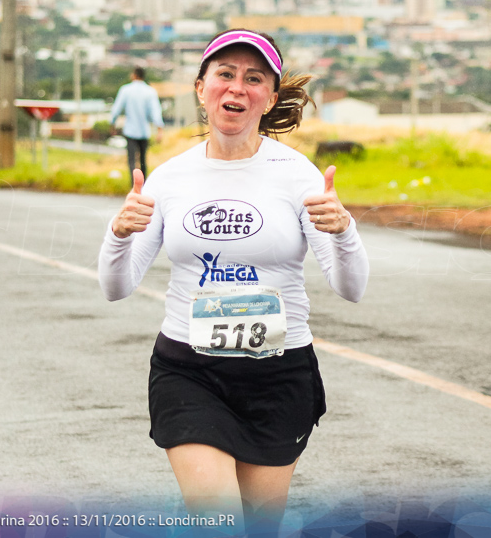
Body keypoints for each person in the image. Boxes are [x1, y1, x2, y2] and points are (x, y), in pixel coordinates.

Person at [99, 29, 369, 532]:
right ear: (201, 88)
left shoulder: (298, 175)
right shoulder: (168, 178)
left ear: (269, 96)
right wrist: (118, 234)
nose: (236, 88)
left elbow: (351, 287)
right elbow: (116, 286)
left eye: (253, 78)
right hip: (189, 371)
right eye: (224, 75)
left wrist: (344, 229)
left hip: (279, 375)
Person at [110, 66, 164, 187]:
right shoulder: (150, 91)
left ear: (134, 75)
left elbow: (117, 109)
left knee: (131, 160)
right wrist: (159, 128)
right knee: (143, 160)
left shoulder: (125, 90)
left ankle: (133, 186)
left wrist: (112, 123)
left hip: (130, 130)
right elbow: (155, 111)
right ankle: (144, 186)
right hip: (145, 131)